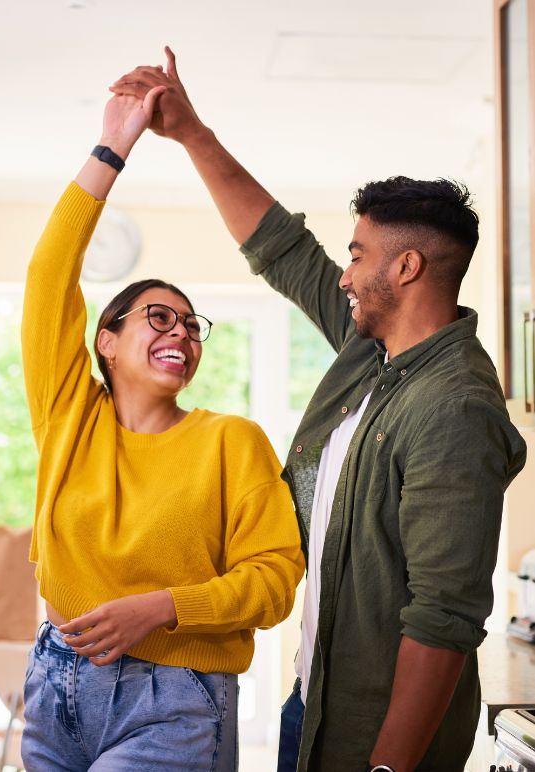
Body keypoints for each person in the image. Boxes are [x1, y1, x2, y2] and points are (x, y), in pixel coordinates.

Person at [113, 49, 528, 772]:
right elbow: (282, 250)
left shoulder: (452, 408)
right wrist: (188, 131)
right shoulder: (373, 353)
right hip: (315, 703)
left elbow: (443, 622)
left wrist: (386, 769)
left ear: (404, 269)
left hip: (372, 737)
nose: (343, 273)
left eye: (358, 255)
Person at [20, 79, 304, 771]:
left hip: (174, 698)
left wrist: (161, 608)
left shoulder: (229, 441)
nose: (181, 330)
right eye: (158, 316)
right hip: (54, 683)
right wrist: (113, 145)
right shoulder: (69, 418)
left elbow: (274, 578)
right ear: (105, 342)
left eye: (190, 323)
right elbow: (48, 277)